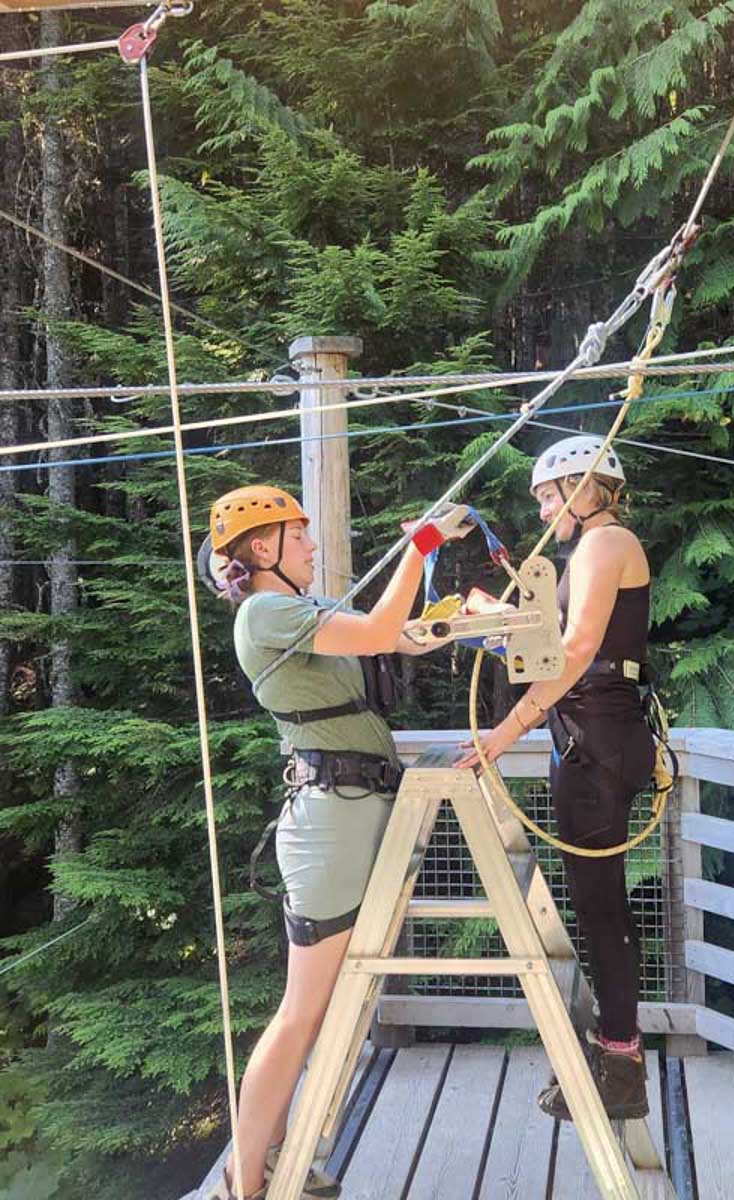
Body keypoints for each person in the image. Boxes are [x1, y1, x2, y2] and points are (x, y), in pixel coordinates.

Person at [205, 484, 474, 1200]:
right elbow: (383, 628)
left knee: (321, 1009)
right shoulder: (267, 612)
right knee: (302, 1013)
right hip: (333, 820)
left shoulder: (299, 610)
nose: (313, 545)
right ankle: (245, 1175)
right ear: (262, 549)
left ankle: (279, 1153)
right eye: (299, 535)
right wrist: (419, 548)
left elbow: (399, 633)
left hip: (355, 809)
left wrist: (455, 618)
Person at [456, 435, 655, 1121]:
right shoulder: (589, 552)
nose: (542, 513)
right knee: (595, 902)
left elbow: (573, 653)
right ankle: (611, 1057)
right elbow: (558, 650)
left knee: (600, 906)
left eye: (548, 497)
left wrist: (500, 736)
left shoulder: (605, 544)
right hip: (589, 737)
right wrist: (496, 625)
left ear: (585, 486)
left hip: (596, 739)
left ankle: (620, 1067)